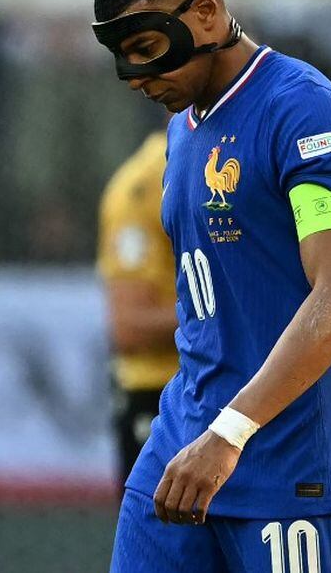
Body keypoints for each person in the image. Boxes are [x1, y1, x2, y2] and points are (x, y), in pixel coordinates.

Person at [91, 0, 331, 572]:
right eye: (126, 60)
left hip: (293, 462)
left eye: (149, 52)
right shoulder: (182, 131)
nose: (139, 79)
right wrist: (207, 431)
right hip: (183, 444)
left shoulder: (300, 108)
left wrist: (231, 432)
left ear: (205, 13)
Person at [97, 129, 179, 492]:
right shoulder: (144, 186)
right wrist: (234, 314)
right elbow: (129, 326)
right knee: (163, 545)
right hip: (159, 397)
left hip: (235, 394)